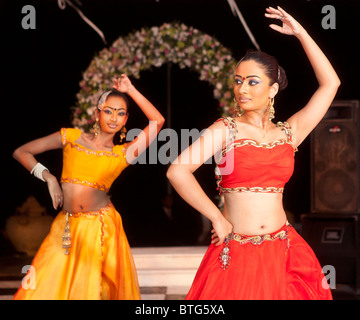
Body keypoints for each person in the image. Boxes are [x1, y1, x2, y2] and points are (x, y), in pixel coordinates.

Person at [167, 6, 340, 300]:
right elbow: (177, 171)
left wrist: (301, 34)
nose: (242, 89)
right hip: (236, 252)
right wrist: (216, 218)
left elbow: (331, 83)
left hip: (285, 252)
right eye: (238, 81)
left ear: (272, 90)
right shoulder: (225, 130)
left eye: (252, 81)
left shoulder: (289, 132)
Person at [13, 74, 165, 300]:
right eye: (108, 110)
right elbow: (21, 152)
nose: (114, 117)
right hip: (65, 226)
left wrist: (130, 89)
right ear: (97, 114)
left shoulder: (122, 153)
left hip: (100, 228)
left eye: (120, 113)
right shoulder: (71, 138)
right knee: (41, 288)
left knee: (90, 292)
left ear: (126, 120)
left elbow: (157, 121)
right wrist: (49, 177)